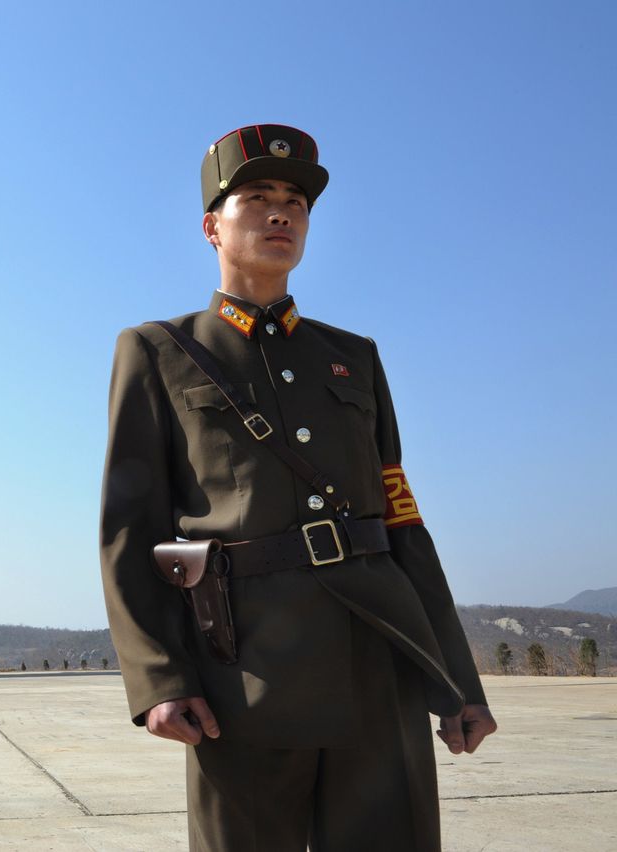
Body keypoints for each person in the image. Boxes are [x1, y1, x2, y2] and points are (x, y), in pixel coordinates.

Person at [99, 123, 496, 851]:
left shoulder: (354, 357)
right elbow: (130, 528)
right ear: (212, 226)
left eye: (296, 201)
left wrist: (459, 682)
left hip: (375, 667)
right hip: (241, 679)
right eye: (257, 197)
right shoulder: (157, 352)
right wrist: (158, 679)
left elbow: (403, 522)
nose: (282, 212)